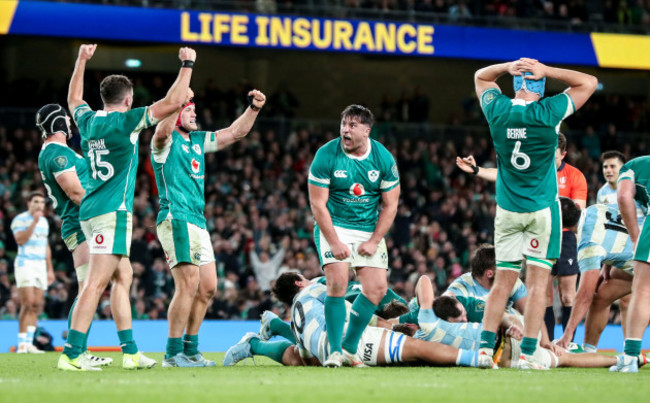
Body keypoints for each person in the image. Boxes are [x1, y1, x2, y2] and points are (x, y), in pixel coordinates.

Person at [58, 44, 196, 371]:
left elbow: (74, 100)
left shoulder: (89, 121)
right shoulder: (127, 123)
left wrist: (80, 60)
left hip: (90, 212)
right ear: (128, 99)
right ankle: (72, 353)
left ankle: (131, 352)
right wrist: (188, 63)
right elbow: (174, 103)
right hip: (111, 215)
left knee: (125, 275)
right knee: (95, 285)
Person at [474, 57, 597, 369]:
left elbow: (480, 78)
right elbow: (588, 83)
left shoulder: (497, 111)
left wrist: (506, 67)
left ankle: (484, 351)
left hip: (507, 211)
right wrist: (549, 71)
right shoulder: (548, 113)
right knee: (539, 284)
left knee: (503, 282)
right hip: (540, 211)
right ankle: (529, 354)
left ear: (515, 85)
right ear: (541, 89)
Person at [151, 87, 266, 367]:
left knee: (208, 289)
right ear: (176, 114)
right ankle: (172, 354)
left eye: (193, 109)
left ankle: (190, 350)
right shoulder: (164, 143)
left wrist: (254, 108)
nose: (195, 113)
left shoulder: (199, 141)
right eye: (188, 110)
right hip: (176, 218)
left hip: (198, 222)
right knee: (188, 284)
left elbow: (235, 133)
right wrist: (176, 102)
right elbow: (161, 132)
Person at [223, 272, 478, 368]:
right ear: (300, 282)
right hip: (353, 342)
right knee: (418, 348)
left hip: (324, 350)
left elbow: (303, 354)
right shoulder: (316, 288)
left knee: (296, 358)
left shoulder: (299, 311)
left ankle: (260, 337)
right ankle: (475, 358)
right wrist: (388, 325)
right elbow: (350, 310)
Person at [308, 104, 400, 367]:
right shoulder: (326, 154)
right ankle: (334, 351)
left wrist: (373, 240)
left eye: (352, 126)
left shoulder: (382, 158)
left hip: (368, 229)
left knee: (377, 289)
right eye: (343, 125)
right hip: (334, 225)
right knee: (337, 283)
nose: (345, 130)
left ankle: (349, 347)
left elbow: (391, 205)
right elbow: (317, 204)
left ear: (366, 131)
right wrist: (335, 241)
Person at [36, 103, 111, 367]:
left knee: (89, 289)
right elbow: (76, 193)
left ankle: (79, 350)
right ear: (57, 123)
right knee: (87, 289)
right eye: (67, 119)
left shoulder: (58, 151)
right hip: (79, 224)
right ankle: (74, 352)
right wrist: (103, 209)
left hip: (80, 223)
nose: (70, 124)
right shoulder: (57, 153)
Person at [556, 201, 639, 351]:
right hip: (641, 258)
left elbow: (585, 294)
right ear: (577, 206)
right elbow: (617, 227)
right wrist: (606, 266)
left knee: (593, 293)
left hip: (644, 264)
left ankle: (631, 352)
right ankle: (588, 350)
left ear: (561, 226)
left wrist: (568, 334)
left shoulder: (588, 245)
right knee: (601, 294)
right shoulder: (596, 208)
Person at [545, 133, 587, 340]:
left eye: (553, 154)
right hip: (541, 236)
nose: (547, 157)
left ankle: (568, 342)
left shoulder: (575, 176)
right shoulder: (537, 172)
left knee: (567, 295)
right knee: (544, 296)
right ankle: (548, 343)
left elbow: (577, 212)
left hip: (566, 238)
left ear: (563, 153)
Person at [611, 156, 650, 372]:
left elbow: (624, 196)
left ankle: (631, 356)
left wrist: (635, 237)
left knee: (643, 291)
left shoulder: (637, 165)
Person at [11, 191, 54, 354]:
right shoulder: (20, 219)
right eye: (36, 201)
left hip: (40, 265)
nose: (39, 205)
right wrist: (33, 223)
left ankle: (29, 343)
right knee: (27, 303)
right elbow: (20, 239)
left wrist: (50, 269)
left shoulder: (45, 222)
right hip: (25, 263)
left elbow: (46, 246)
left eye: (42, 202)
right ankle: (21, 344)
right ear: (28, 203)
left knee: (36, 305)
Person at [443, 244, 527, 322]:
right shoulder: (462, 287)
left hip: (512, 328)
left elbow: (530, 314)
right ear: (489, 274)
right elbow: (444, 302)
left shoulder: (511, 280)